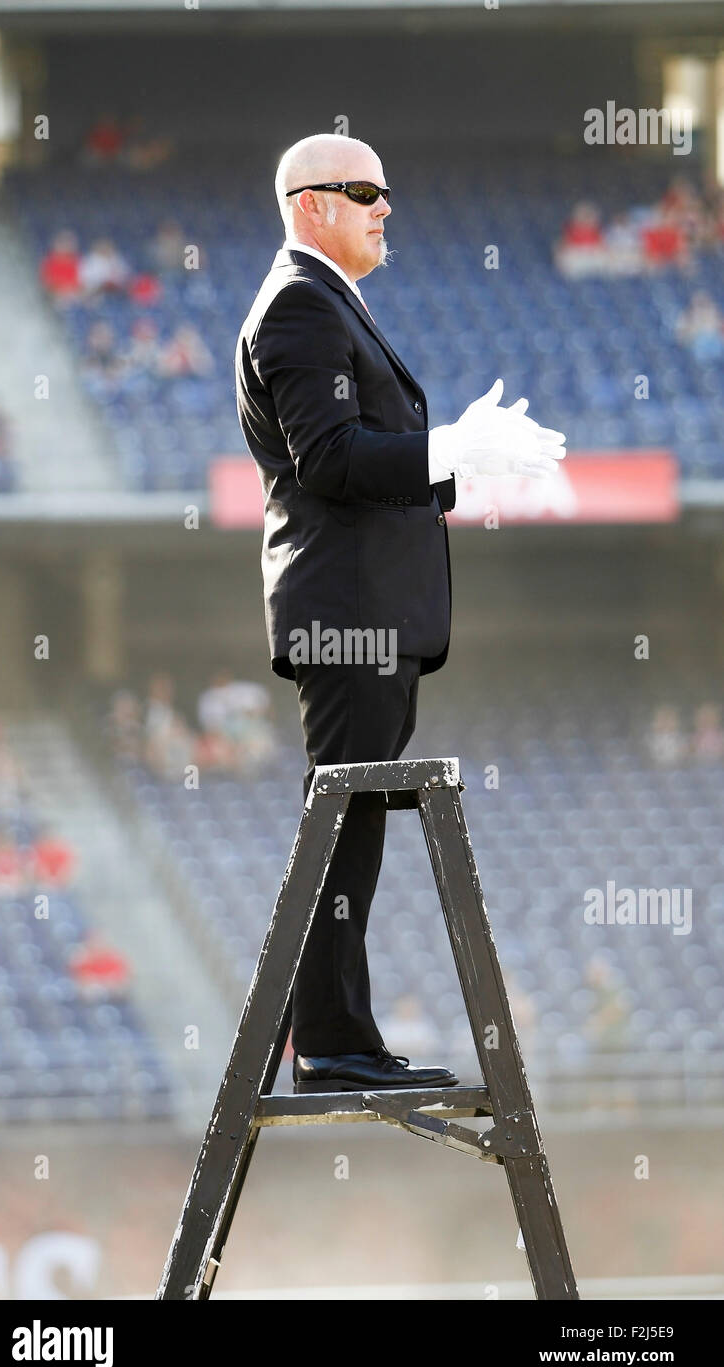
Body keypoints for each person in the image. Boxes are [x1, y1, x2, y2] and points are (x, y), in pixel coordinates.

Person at [235, 132, 565, 1093]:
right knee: (343, 822)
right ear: (310, 206)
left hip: (371, 610)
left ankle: (342, 1036)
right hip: (350, 615)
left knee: (356, 820)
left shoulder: (328, 300)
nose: (387, 206)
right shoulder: (300, 304)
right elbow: (331, 459)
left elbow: (360, 462)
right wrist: (449, 447)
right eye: (365, 190)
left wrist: (453, 462)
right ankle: (332, 1044)